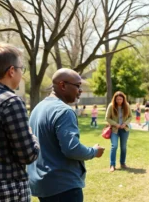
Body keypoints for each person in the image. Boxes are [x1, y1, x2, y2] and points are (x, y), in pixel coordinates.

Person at [27, 68, 105, 202]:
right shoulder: (64, 111)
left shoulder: (37, 109)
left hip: (43, 185)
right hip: (63, 186)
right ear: (62, 85)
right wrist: (94, 151)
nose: (80, 91)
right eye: (78, 86)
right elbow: (72, 149)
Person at [0, 42, 40, 201]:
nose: (22, 73)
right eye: (21, 69)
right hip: (8, 189)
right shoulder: (11, 102)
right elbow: (28, 154)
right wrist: (32, 136)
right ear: (11, 71)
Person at [105, 91, 132, 172]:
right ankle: (112, 165)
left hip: (124, 129)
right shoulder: (111, 106)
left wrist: (125, 123)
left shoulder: (127, 105)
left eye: (121, 99)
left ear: (123, 99)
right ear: (115, 99)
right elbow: (107, 118)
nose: (119, 101)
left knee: (123, 147)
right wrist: (115, 124)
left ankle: (122, 163)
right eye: (117, 99)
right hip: (114, 130)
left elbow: (130, 117)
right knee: (114, 146)